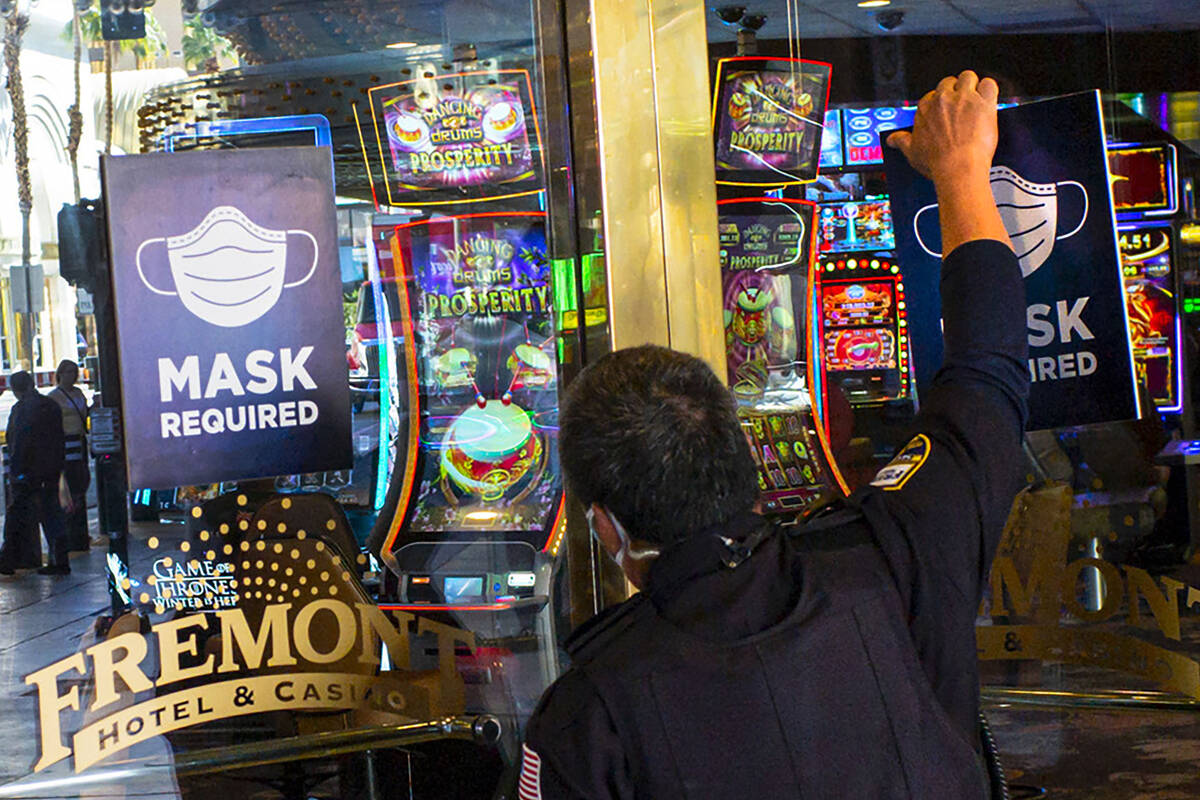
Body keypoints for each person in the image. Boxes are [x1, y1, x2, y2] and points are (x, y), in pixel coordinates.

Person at [518, 71, 1027, 799]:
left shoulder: (587, 712)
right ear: (743, 456)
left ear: (606, 529)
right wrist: (961, 173)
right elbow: (989, 368)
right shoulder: (897, 550)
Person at [0, 371, 69, 575]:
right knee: (52, 514)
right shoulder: (50, 405)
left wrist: (17, 470)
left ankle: (8, 559)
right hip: (50, 470)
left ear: (16, 389)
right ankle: (60, 560)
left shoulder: (22, 409)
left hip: (29, 472)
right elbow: (59, 438)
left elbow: (20, 441)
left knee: (16, 515)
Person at [49, 360, 91, 551]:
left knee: (80, 485)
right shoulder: (54, 397)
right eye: (69, 372)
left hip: (79, 443)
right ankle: (72, 532)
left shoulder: (78, 393)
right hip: (66, 445)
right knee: (69, 487)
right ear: (60, 374)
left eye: (75, 372)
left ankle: (80, 533)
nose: (73, 376)